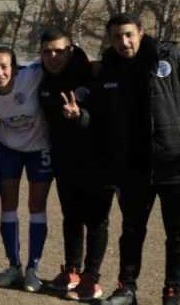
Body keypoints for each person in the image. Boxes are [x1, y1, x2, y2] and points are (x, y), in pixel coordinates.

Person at [93, 15, 180, 305]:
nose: (123, 42)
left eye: (128, 35)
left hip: (178, 162)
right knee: (132, 230)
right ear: (110, 40)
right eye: (116, 37)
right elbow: (102, 117)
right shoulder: (108, 68)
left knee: (177, 234)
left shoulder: (169, 57)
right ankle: (127, 288)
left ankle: (173, 291)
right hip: (133, 166)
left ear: (140, 32)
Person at [35, 28, 113, 300]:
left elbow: (105, 119)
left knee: (96, 220)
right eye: (47, 51)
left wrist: (80, 116)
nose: (53, 56)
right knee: (71, 217)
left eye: (59, 51)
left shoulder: (94, 75)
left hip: (99, 160)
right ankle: (71, 271)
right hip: (65, 161)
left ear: (71, 50)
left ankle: (92, 277)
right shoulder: (44, 80)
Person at [0, 47, 51, 293]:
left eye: (4, 67)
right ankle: (14, 265)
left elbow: (60, 60)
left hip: (39, 146)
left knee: (36, 205)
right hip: (7, 146)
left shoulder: (32, 75)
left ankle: (33, 268)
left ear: (14, 67)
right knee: (8, 204)